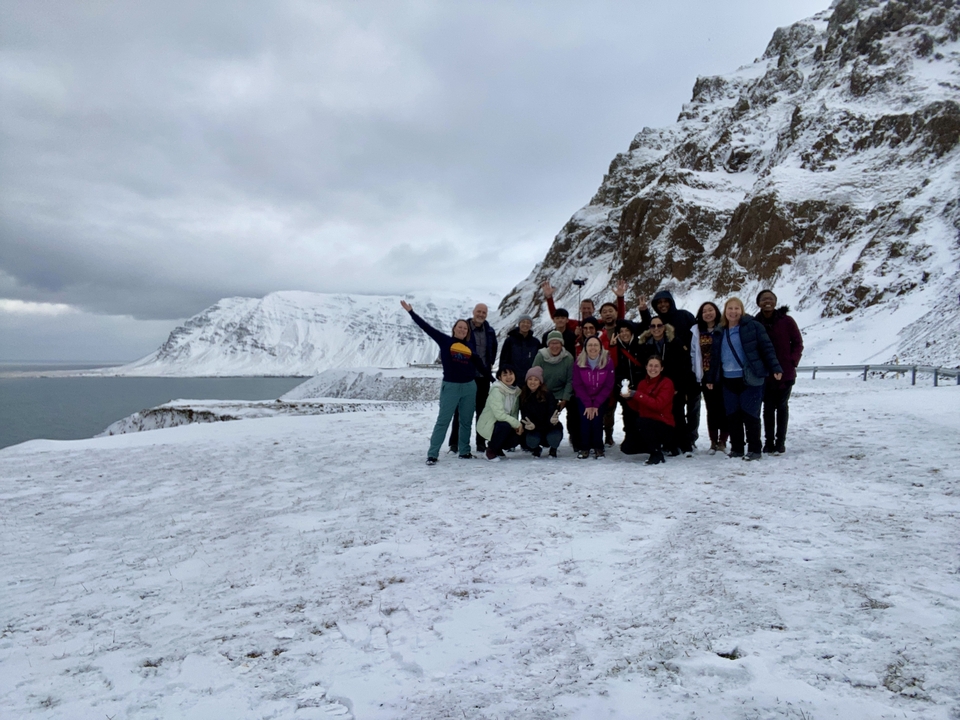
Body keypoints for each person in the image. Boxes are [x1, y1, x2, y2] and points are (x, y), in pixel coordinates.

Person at [401, 300, 491, 464]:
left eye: (465, 328)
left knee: (465, 421)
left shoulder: (470, 346)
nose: (463, 330)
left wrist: (493, 378)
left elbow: (479, 364)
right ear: (454, 329)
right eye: (460, 327)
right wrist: (411, 312)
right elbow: (426, 327)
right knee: (443, 420)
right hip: (451, 386)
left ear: (467, 331)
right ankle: (433, 453)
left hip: (470, 387)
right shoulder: (445, 341)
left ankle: (464, 451)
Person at [704, 298, 783, 461]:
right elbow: (714, 358)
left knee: (751, 415)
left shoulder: (753, 326)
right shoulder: (720, 330)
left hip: (750, 378)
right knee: (732, 415)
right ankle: (737, 448)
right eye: (730, 309)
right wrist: (711, 377)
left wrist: (775, 367)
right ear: (725, 311)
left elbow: (767, 347)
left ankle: (754, 449)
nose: (733, 312)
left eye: (736, 308)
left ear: (742, 310)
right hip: (728, 380)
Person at [755, 290, 804, 455]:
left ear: (775, 302)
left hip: (785, 372)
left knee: (782, 407)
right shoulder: (756, 322)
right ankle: (769, 442)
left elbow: (797, 342)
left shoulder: (787, 321)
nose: (767, 302)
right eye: (763, 299)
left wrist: (792, 361)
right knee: (767, 408)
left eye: (770, 299)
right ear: (758, 303)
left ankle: (780, 442)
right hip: (765, 374)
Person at [636, 317, 692, 456]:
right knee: (656, 414)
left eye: (659, 325)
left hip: (674, 385)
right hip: (654, 385)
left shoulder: (674, 342)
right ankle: (667, 444)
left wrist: (679, 386)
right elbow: (643, 367)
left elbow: (684, 365)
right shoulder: (645, 344)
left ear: (665, 327)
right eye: (653, 326)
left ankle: (684, 445)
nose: (656, 328)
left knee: (677, 414)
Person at [651, 289, 699, 448]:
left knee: (692, 406)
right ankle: (678, 439)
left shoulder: (684, 316)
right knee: (675, 409)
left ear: (671, 302)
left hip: (689, 366)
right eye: (659, 303)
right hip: (670, 373)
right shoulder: (656, 321)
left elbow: (698, 333)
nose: (663, 305)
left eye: (665, 301)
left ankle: (690, 438)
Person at [449, 303, 498, 453]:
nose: (481, 314)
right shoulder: (464, 328)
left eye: (484, 312)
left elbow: (493, 349)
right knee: (461, 410)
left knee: (482, 411)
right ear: (473, 312)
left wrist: (489, 365)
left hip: (483, 377)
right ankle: (455, 443)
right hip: (466, 376)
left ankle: (481, 442)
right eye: (479, 311)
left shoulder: (489, 331)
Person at [624, 355, 675, 465]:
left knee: (642, 422)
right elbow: (637, 407)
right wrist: (629, 398)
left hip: (663, 425)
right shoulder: (642, 383)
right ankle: (654, 446)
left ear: (661, 368)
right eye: (650, 366)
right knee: (627, 448)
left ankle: (657, 453)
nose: (653, 369)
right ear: (646, 367)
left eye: (656, 366)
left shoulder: (667, 383)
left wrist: (637, 394)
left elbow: (658, 405)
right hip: (646, 424)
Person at [691, 301, 728, 454]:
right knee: (712, 410)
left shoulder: (724, 328)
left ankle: (723, 441)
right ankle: (713, 441)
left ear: (716, 312)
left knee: (726, 409)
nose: (708, 313)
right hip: (706, 375)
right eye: (704, 311)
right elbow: (694, 353)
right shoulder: (696, 331)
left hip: (725, 374)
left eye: (710, 310)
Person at [571, 336, 615, 459]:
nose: (593, 348)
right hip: (583, 397)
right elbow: (577, 384)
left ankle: (598, 447)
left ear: (600, 347)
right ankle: (584, 447)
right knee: (585, 419)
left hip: (600, 397)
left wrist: (596, 404)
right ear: (585, 347)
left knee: (597, 419)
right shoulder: (579, 362)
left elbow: (608, 385)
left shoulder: (607, 361)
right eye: (590, 345)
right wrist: (587, 404)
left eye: (596, 345)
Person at [533, 330, 576, 453]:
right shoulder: (540, 356)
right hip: (544, 391)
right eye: (552, 343)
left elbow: (570, 380)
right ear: (548, 344)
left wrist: (565, 398)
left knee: (574, 411)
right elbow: (535, 376)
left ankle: (573, 438)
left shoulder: (568, 358)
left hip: (561, 392)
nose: (555, 346)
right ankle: (538, 441)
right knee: (542, 413)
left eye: (557, 343)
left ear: (562, 344)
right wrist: (540, 393)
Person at [476, 365, 523, 462]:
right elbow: (499, 415)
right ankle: (490, 451)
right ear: (499, 377)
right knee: (504, 425)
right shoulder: (497, 390)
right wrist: (517, 423)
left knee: (517, 436)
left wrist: (516, 427)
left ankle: (497, 448)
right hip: (489, 424)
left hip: (501, 425)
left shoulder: (515, 391)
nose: (508, 377)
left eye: (511, 374)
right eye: (505, 375)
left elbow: (514, 412)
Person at [612, 319, 645, 453]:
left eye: (627, 330)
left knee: (642, 414)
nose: (624, 334)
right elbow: (613, 369)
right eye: (621, 331)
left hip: (641, 389)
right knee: (627, 414)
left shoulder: (640, 345)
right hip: (624, 390)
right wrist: (621, 385)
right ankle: (630, 437)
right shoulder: (615, 348)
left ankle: (644, 438)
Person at [519, 367, 563, 457]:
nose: (532, 382)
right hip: (534, 428)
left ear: (540, 382)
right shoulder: (523, 396)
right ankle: (535, 448)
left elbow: (552, 413)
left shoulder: (548, 395)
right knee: (531, 441)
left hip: (549, 427)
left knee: (554, 438)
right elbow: (525, 415)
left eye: (536, 379)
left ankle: (553, 448)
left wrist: (552, 421)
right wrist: (528, 426)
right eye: (530, 379)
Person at [499, 314, 542, 381]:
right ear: (519, 324)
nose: (525, 324)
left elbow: (539, 361)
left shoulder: (535, 342)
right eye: (523, 322)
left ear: (531, 325)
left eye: (528, 322)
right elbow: (503, 360)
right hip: (512, 379)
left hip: (530, 380)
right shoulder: (510, 341)